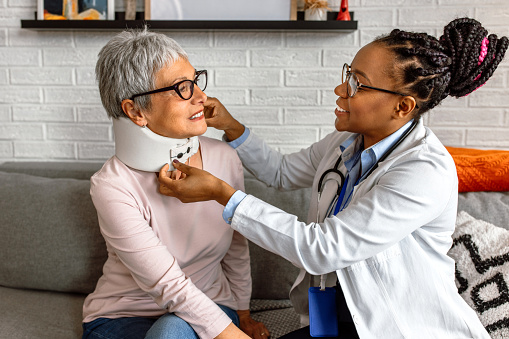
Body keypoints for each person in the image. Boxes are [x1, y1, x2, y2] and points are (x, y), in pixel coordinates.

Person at [157, 18, 508, 338]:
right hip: (338, 322)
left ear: (402, 107)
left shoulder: (424, 170)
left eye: (358, 84)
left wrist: (223, 194)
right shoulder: (346, 142)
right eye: (348, 74)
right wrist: (232, 127)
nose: (341, 90)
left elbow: (322, 249)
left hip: (399, 327)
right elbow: (281, 172)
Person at [82, 29, 269, 339]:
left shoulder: (224, 159)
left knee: (170, 331)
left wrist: (244, 315)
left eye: (195, 81)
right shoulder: (112, 185)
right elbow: (169, 285)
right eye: (182, 88)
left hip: (208, 304)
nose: (201, 98)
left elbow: (237, 246)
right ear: (135, 111)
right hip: (124, 314)